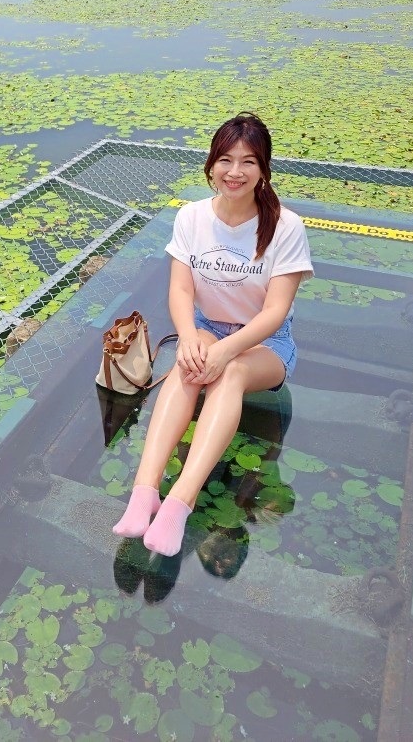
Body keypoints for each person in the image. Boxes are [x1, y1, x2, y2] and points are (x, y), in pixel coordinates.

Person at [112, 112, 313, 556]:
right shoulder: (192, 217)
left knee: (231, 372)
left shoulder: (285, 227)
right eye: (225, 160)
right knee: (188, 367)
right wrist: (188, 337)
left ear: (264, 170)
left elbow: (276, 312)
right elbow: (181, 289)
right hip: (206, 327)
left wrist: (225, 350)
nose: (235, 172)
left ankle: (178, 503)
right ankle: (144, 493)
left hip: (264, 343)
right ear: (211, 165)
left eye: (248, 162)